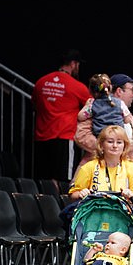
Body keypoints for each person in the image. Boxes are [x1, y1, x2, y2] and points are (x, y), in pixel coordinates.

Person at [32, 49, 90, 181]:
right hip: (64, 137)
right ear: (74, 64)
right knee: (64, 181)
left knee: (42, 181)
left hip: (42, 137)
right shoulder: (77, 87)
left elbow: (34, 105)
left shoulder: (41, 82)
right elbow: (92, 107)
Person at [68, 126, 133, 206]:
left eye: (119, 142)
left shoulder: (132, 168)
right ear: (101, 145)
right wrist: (80, 194)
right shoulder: (88, 167)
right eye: (110, 142)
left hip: (122, 215)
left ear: (124, 146)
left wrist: (131, 196)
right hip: (94, 212)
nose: (115, 146)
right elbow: (72, 195)